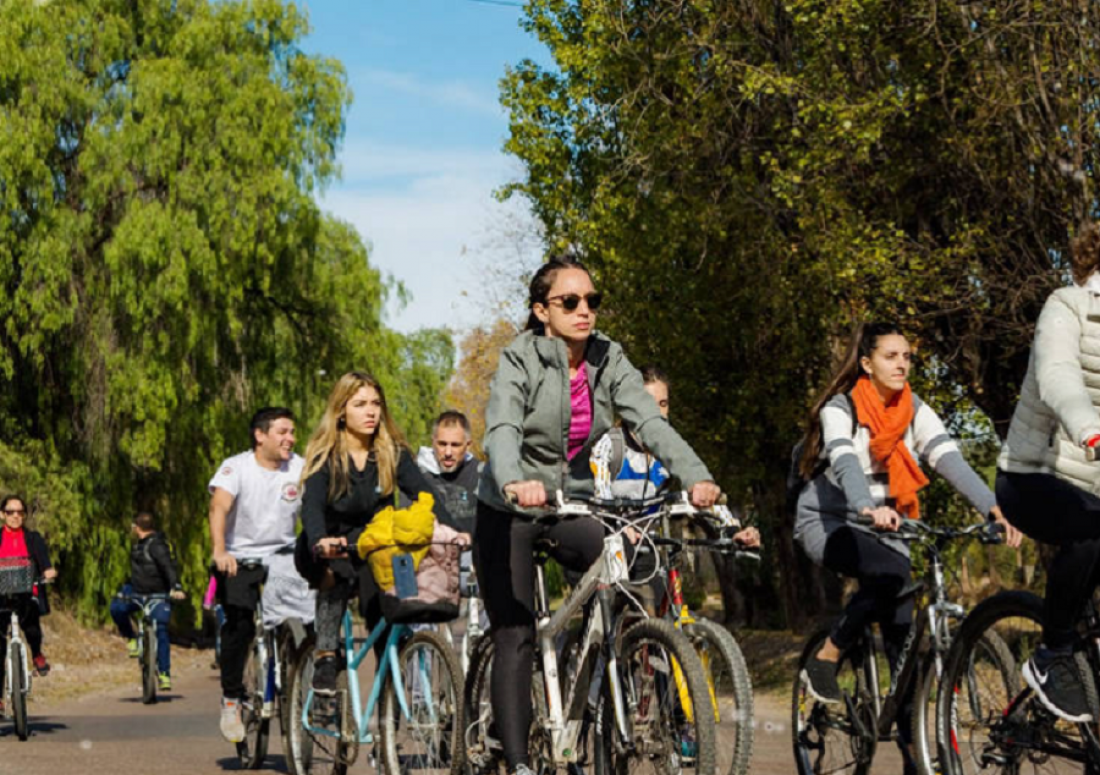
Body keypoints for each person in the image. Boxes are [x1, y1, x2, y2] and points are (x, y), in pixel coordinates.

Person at [476, 254, 723, 775]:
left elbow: (650, 423)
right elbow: (503, 428)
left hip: (574, 501)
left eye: (592, 300)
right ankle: (518, 761)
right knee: (516, 632)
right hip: (510, 506)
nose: (584, 310)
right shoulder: (520, 358)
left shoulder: (608, 358)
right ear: (543, 310)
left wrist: (695, 475)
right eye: (570, 301)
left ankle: (587, 675)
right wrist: (513, 482)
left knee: (619, 571)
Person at [792, 322, 1021, 771]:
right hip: (831, 520)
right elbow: (844, 462)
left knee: (903, 631)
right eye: (890, 356)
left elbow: (948, 458)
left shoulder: (913, 408)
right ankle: (830, 651)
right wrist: (864, 506)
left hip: (889, 526)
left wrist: (993, 507)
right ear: (866, 363)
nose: (901, 364)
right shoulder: (841, 410)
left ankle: (913, 752)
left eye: (907, 357)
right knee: (890, 575)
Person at [297, 372, 465, 715]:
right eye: (360, 404)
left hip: (375, 544)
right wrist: (319, 540)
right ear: (342, 411)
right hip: (328, 544)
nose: (370, 411)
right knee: (337, 575)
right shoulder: (326, 455)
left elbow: (425, 495)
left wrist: (454, 530)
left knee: (395, 597)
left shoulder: (391, 452)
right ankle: (326, 655)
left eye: (375, 404)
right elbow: (311, 506)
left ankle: (394, 665)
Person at [996, 221, 1100, 722]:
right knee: (1092, 527)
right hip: (1032, 477)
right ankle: (1052, 651)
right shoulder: (1066, 306)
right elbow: (1058, 375)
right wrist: (1089, 428)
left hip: (1094, 489)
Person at [208, 407, 305, 742]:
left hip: (285, 557)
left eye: (292, 432)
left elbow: (315, 509)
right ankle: (232, 699)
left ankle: (304, 685)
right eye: (282, 431)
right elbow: (219, 507)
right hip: (241, 558)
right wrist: (221, 551)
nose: (290, 438)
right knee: (239, 623)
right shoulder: (237, 467)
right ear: (260, 435)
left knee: (308, 620)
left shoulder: (300, 468)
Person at [109, 511, 185, 690]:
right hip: (137, 591)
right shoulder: (139, 545)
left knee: (161, 629)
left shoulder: (157, 546)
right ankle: (132, 638)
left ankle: (165, 673)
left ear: (137, 528)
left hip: (158, 593)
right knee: (116, 607)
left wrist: (176, 587)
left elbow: (168, 567)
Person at [0, 495, 58, 707]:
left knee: (32, 625)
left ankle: (37, 654)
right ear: (2, 514)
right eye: (10, 512)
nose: (15, 516)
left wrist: (48, 571)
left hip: (27, 592)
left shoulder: (33, 538)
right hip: (1, 595)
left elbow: (44, 561)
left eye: (19, 512)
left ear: (24, 515)